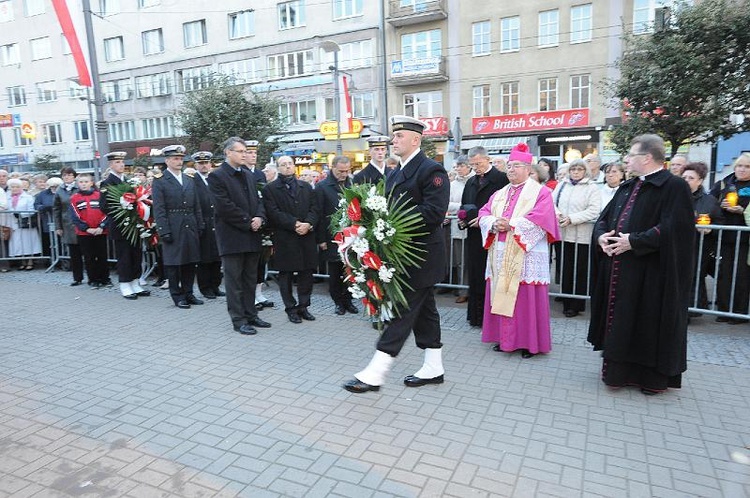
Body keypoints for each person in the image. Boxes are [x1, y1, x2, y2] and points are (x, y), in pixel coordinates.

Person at [343, 115, 449, 394]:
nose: (393, 140)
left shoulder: (431, 170)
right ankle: (434, 366)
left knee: (403, 311)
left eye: (399, 136)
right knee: (425, 312)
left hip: (423, 255)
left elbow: (434, 212)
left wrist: (390, 223)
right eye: (394, 136)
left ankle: (376, 372)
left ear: (416, 139)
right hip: (404, 256)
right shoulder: (395, 172)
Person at [588, 134, 695, 395]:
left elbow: (674, 227)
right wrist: (601, 235)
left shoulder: (674, 186)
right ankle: (618, 374)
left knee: (648, 322)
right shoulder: (628, 186)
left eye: (630, 155)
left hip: (654, 272)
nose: (625, 160)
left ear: (647, 158)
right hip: (622, 272)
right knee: (623, 320)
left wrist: (634, 241)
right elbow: (605, 218)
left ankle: (650, 380)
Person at [479, 143, 561, 358]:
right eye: (509, 166)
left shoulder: (540, 193)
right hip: (501, 250)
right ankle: (505, 340)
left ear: (528, 168)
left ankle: (529, 343)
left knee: (525, 298)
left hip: (526, 252)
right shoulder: (500, 193)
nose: (511, 170)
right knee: (501, 293)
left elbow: (542, 218)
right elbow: (484, 212)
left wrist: (512, 224)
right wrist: (493, 222)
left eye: (516, 166)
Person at [208, 137, 270, 335]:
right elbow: (223, 206)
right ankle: (239, 320)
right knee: (234, 282)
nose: (244, 154)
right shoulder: (217, 176)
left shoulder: (248, 174)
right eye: (240, 151)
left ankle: (251, 314)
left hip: (252, 235)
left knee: (250, 279)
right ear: (228, 152)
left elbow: (259, 201)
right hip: (232, 236)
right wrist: (248, 221)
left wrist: (260, 217)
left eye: (246, 151)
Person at [263, 155, 319, 324]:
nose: (287, 167)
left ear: (294, 166)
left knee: (306, 273)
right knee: (286, 275)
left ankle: (304, 306)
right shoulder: (270, 189)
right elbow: (273, 212)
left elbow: (315, 208)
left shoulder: (306, 186)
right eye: (283, 164)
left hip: (306, 236)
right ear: (278, 168)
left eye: (290, 164)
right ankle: (291, 308)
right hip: (286, 237)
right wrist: (294, 224)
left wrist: (308, 223)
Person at [460, 146, 509, 327]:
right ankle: (476, 316)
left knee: (492, 275)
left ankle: (492, 317)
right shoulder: (471, 181)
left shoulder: (502, 180)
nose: (475, 168)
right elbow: (465, 205)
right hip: (474, 235)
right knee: (475, 275)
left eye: (478, 164)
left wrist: (487, 220)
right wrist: (463, 220)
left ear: (487, 159)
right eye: (472, 165)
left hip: (494, 235)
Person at [151, 145, 204, 309]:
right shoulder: (160, 180)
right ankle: (177, 295)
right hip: (173, 224)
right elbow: (159, 209)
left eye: (181, 158)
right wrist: (164, 230)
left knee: (190, 261)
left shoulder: (189, 178)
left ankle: (188, 292)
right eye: (175, 158)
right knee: (174, 263)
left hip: (190, 224)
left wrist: (199, 224)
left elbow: (196, 205)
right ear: (167, 161)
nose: (179, 161)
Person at [552, 158, 601, 317]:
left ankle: (577, 305)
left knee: (580, 271)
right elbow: (551, 203)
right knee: (565, 269)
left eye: (579, 169)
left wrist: (572, 218)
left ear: (585, 171)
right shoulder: (562, 185)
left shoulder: (592, 188)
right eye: (573, 169)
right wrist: (559, 216)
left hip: (582, 236)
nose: (576, 172)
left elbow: (594, 210)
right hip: (563, 235)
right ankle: (567, 301)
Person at [100, 151, 151, 300]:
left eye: (122, 162)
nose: (121, 165)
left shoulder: (129, 181)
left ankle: (135, 282)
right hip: (120, 225)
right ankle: (124, 284)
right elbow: (104, 206)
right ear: (110, 165)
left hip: (134, 225)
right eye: (117, 162)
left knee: (136, 254)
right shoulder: (107, 183)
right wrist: (122, 208)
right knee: (124, 256)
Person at [709, 153, 750, 324]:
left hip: (745, 238)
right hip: (724, 237)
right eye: (740, 166)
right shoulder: (724, 183)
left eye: (747, 167)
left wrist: (742, 210)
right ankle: (724, 310)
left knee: (741, 275)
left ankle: (739, 312)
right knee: (724, 274)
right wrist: (721, 206)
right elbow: (709, 203)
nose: (742, 169)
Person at [316, 155, 359, 316]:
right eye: (341, 171)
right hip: (331, 237)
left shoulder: (352, 184)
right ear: (332, 168)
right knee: (334, 272)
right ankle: (338, 302)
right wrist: (321, 240)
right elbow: (319, 214)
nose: (344, 174)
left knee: (351, 270)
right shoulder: (322, 187)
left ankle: (348, 300)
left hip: (351, 237)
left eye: (347, 171)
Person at [681, 162, 724, 314]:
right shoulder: (673, 197)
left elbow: (720, 222)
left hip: (698, 247)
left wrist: (710, 230)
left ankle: (691, 310)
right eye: (684, 177)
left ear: (700, 181)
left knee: (693, 277)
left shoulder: (709, 201)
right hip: (676, 245)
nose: (686, 180)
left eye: (691, 178)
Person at [245, 140, 274, 310]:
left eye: (255, 153)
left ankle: (258, 293)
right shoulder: (241, 172)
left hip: (261, 222)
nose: (252, 156)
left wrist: (262, 218)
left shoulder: (259, 174)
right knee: (249, 263)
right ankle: (249, 296)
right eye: (249, 152)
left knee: (261, 261)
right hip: (247, 223)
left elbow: (263, 199)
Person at [192, 151, 224, 299]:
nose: (204, 166)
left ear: (210, 164)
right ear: (196, 165)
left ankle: (216, 285)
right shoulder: (192, 181)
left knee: (217, 258)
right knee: (205, 259)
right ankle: (205, 288)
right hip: (203, 222)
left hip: (216, 222)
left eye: (206, 163)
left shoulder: (215, 179)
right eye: (201, 163)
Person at [69, 173, 110, 288]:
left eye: (86, 182)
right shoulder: (74, 198)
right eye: (81, 182)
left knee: (102, 256)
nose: (84, 184)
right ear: (78, 184)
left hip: (100, 231)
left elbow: (106, 212)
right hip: (84, 233)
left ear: (91, 183)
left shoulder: (99, 195)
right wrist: (87, 228)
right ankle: (93, 279)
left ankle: (105, 278)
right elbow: (75, 216)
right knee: (89, 257)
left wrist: (101, 226)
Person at [54, 167, 86, 286]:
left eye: (69, 175)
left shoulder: (80, 187)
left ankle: (94, 276)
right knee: (74, 253)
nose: (67, 177)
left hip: (82, 224)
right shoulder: (59, 190)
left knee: (87, 252)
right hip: (67, 225)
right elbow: (56, 209)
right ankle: (77, 278)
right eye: (64, 175)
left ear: (74, 176)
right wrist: (58, 226)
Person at [448, 155, 474, 303]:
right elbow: (446, 203)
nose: (458, 169)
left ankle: (472, 288)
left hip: (474, 226)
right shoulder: (453, 184)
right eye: (457, 166)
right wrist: (462, 208)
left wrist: (469, 210)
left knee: (472, 260)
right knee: (460, 261)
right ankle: (462, 288)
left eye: (461, 166)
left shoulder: (473, 181)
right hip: (457, 227)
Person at [7, 178, 42, 269]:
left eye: (17, 187)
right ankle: (22, 261)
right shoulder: (8, 197)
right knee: (18, 243)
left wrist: (20, 214)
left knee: (28, 242)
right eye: (13, 187)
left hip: (26, 222)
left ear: (21, 187)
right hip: (14, 223)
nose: (15, 189)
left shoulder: (28, 197)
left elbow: (31, 210)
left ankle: (30, 261)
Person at [34, 176, 62, 259]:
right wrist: (43, 207)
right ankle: (51, 259)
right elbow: (36, 205)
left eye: (56, 186)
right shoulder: (42, 194)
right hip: (47, 221)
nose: (54, 188)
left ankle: (62, 259)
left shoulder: (62, 192)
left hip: (61, 221)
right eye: (52, 186)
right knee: (49, 241)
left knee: (61, 242)